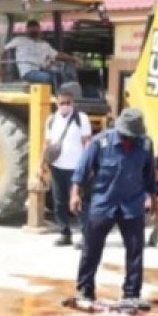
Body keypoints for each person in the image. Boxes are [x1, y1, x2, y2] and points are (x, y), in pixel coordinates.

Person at [70, 108, 155, 309]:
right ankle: (85, 290)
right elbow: (81, 170)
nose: (129, 139)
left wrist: (153, 199)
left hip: (132, 205)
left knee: (135, 250)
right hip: (103, 203)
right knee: (91, 249)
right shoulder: (100, 142)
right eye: (126, 135)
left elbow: (149, 174)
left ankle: (131, 293)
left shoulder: (145, 144)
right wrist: (75, 194)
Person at [47, 83, 93, 247]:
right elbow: (47, 144)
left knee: (78, 202)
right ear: (56, 103)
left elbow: (87, 142)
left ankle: (85, 236)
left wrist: (88, 164)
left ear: (73, 103)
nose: (65, 106)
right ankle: (64, 233)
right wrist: (41, 164)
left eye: (68, 103)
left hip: (76, 169)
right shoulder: (52, 119)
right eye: (62, 103)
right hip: (57, 167)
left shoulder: (81, 118)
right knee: (59, 202)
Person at [5, 20, 82, 89]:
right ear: (27, 29)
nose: (34, 31)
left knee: (62, 74)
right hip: (28, 72)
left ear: (39, 30)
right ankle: (55, 96)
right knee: (47, 77)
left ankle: (67, 95)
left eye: (36, 29)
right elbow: (5, 50)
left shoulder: (44, 44)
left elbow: (58, 54)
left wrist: (74, 59)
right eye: (31, 29)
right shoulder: (19, 40)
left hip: (42, 69)